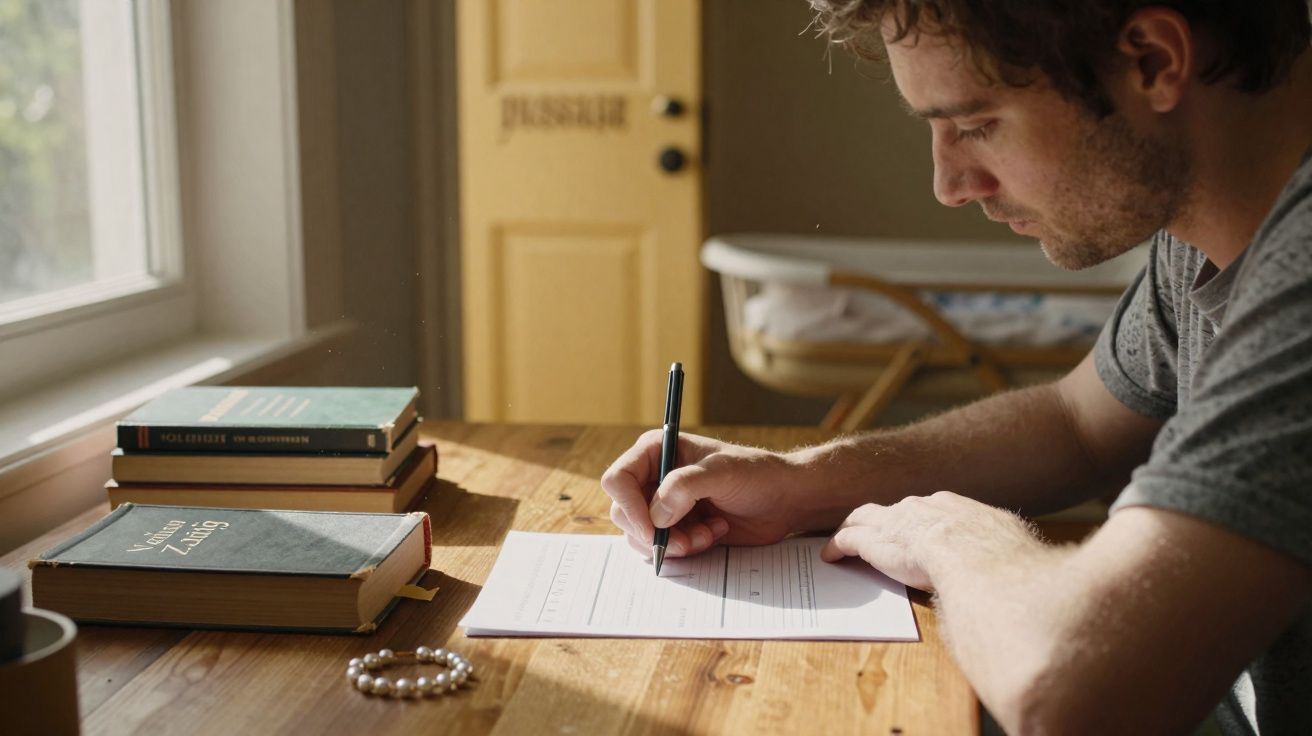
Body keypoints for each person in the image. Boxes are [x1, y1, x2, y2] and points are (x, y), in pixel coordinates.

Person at [601, 2, 1312, 733]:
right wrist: (800, 485)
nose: (949, 182)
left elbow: (1071, 690)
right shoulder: (1210, 230)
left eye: (976, 125)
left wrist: (950, 538)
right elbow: (1077, 424)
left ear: (1154, 63)